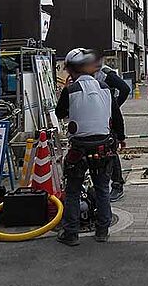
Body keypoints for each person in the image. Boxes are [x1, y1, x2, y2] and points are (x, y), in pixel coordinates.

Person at [55, 48, 115, 246]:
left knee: (72, 190)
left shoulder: (70, 90)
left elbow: (59, 112)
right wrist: (120, 137)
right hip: (103, 146)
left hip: (79, 147)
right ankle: (102, 230)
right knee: (102, 188)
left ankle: (71, 232)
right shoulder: (105, 87)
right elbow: (116, 115)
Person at [95, 62, 130, 202]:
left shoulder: (105, 73)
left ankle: (117, 184)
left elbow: (125, 89)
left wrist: (114, 104)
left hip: (108, 118)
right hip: (95, 117)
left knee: (111, 151)